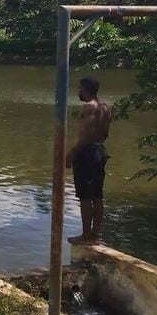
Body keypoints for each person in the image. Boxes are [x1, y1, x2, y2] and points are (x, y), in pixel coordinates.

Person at [66, 77, 111, 246]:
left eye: (80, 88)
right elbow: (105, 133)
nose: (78, 91)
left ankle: (85, 235)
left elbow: (85, 135)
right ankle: (94, 234)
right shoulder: (105, 108)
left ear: (85, 89)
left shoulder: (89, 107)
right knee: (97, 195)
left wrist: (71, 153)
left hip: (88, 153)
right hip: (100, 150)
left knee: (85, 195)